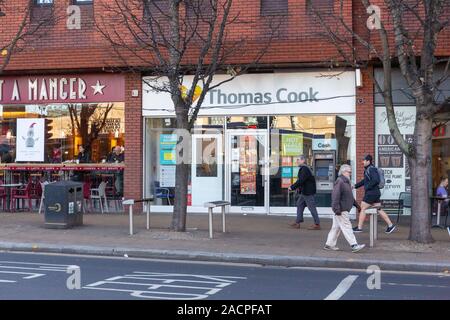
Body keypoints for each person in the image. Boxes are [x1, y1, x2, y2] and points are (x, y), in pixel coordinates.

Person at [324, 164, 365, 253]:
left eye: (350, 172)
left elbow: (349, 196)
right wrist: (336, 209)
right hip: (341, 210)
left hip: (341, 209)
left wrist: (357, 206)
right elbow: (335, 196)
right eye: (349, 172)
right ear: (343, 172)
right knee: (347, 227)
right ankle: (354, 245)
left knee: (336, 227)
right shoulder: (340, 181)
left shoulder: (346, 182)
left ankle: (329, 244)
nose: (350, 174)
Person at [353, 154, 397, 234]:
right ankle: (390, 225)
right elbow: (364, 181)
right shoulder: (368, 169)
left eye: (364, 160)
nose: (363, 162)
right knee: (378, 209)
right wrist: (355, 186)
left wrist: (367, 187)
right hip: (375, 192)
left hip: (371, 193)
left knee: (363, 208)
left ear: (368, 161)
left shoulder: (371, 169)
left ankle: (359, 227)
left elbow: (376, 180)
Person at [288, 155, 321, 230]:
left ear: (303, 160)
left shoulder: (304, 169)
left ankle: (317, 224)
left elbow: (301, 180)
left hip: (308, 192)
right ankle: (298, 222)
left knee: (312, 208)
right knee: (299, 204)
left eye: (298, 160)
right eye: (297, 160)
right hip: (305, 192)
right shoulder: (304, 168)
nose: (297, 161)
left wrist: (292, 187)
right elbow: (301, 180)